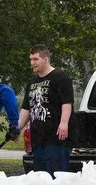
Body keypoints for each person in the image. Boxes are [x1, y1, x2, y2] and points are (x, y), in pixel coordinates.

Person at [17, 45, 74, 175]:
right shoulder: (32, 82)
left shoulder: (59, 77)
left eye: (35, 59)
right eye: (31, 59)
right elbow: (27, 108)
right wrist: (17, 129)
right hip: (37, 139)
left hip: (56, 138)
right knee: (41, 177)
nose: (32, 63)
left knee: (56, 176)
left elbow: (67, 102)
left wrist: (64, 123)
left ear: (46, 59)